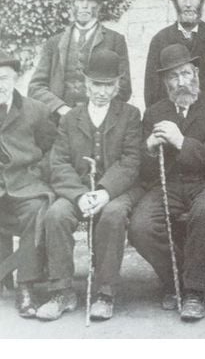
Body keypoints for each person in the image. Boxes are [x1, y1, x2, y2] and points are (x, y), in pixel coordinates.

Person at [129, 44, 205, 321]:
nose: (181, 82)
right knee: (140, 226)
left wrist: (181, 142)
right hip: (169, 185)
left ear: (196, 73)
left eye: (186, 74)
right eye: (173, 77)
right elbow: (146, 171)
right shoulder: (154, 112)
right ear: (165, 83)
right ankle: (175, 280)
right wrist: (150, 148)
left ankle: (194, 293)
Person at [36, 50, 142, 321]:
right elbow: (58, 163)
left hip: (116, 191)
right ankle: (62, 291)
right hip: (78, 190)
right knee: (56, 214)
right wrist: (80, 195)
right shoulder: (71, 118)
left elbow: (131, 161)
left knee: (113, 215)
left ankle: (105, 293)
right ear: (87, 84)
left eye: (108, 85)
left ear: (117, 85)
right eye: (97, 84)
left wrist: (105, 191)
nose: (102, 92)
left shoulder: (130, 115)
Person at [0, 51, 56, 319]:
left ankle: (25, 287)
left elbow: (52, 150)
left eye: (4, 78)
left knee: (36, 210)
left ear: (15, 79)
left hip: (25, 187)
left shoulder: (36, 110)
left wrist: (35, 172)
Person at [29, 0, 131, 121]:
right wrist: (61, 108)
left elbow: (124, 88)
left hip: (99, 121)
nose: (84, 6)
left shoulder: (115, 40)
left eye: (90, 0)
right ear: (72, 4)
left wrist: (96, 111)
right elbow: (36, 87)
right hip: (59, 121)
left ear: (100, 5)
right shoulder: (54, 42)